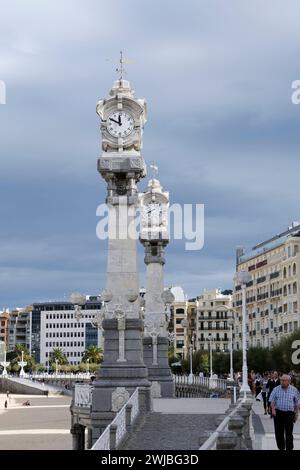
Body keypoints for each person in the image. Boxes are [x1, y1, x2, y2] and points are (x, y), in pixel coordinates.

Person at [269, 374, 300, 451]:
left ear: (289, 381)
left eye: (283, 380)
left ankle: (289, 448)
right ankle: (281, 447)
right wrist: (273, 410)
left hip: (289, 414)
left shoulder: (294, 390)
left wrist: (296, 414)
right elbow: (272, 400)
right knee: (279, 432)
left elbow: (297, 403)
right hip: (278, 413)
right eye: (281, 380)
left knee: (289, 432)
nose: (281, 382)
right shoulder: (276, 389)